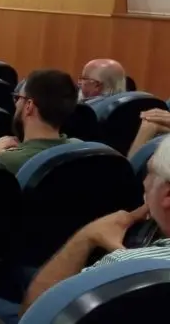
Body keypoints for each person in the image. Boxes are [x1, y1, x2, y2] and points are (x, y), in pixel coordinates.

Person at [19, 134, 170, 317]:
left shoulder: (124, 267)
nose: (144, 182)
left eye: (150, 173)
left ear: (167, 196)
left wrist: (86, 237)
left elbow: (37, 316)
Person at [0, 69, 78, 174]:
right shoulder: (80, 148)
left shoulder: (6, 161)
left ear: (29, 106)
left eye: (18, 98)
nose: (16, 104)